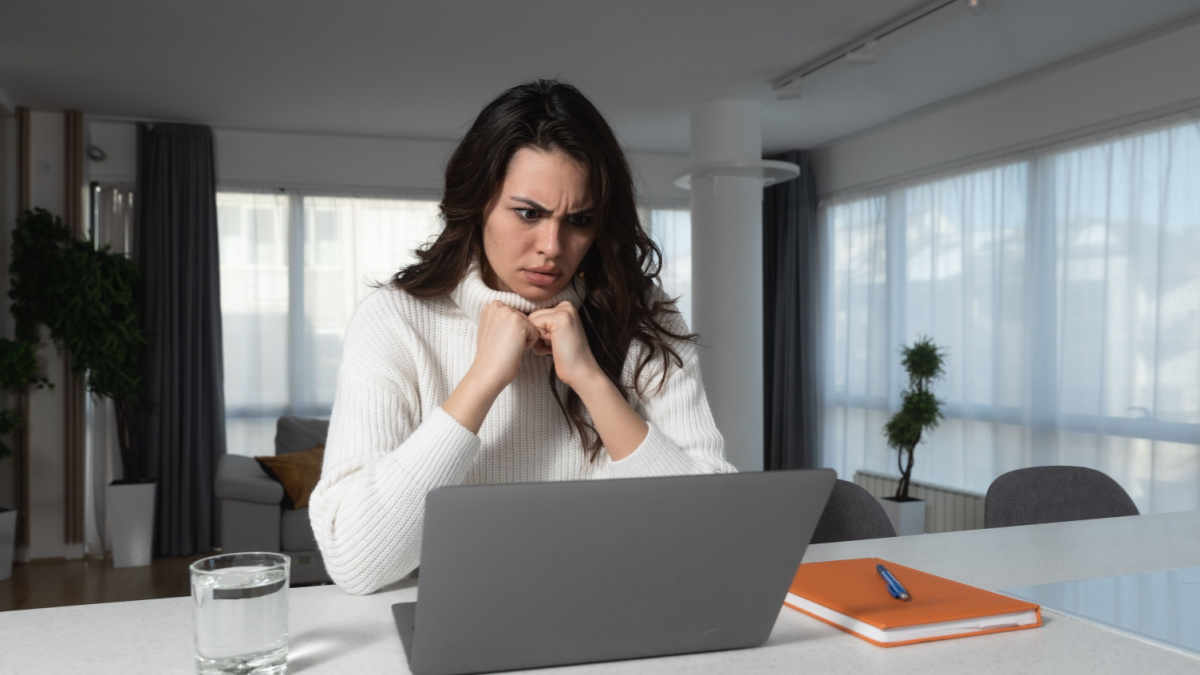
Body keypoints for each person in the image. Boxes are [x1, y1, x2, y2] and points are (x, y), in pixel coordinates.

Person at [309, 79, 735, 595]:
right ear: (478, 203)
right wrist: (483, 380)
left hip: (625, 609)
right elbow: (355, 562)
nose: (552, 247)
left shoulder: (646, 317)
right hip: (464, 624)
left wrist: (591, 382)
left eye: (579, 220)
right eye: (528, 213)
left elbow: (715, 533)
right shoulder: (394, 321)